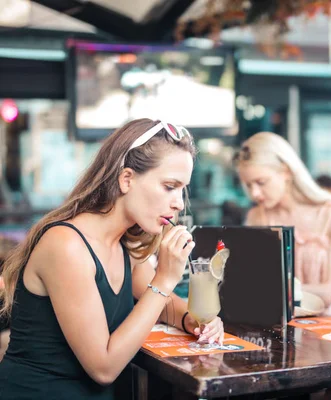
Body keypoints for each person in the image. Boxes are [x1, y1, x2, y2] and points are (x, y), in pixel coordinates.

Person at [0, 119, 224, 399]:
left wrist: (194, 320)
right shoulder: (66, 245)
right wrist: (165, 278)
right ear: (127, 179)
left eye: (182, 189)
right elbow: (103, 367)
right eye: (169, 186)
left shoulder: (125, 246)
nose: (179, 202)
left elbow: (163, 305)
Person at [233, 132, 331, 316]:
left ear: (286, 171)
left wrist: (281, 288)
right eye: (249, 185)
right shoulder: (256, 217)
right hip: (274, 322)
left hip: (325, 323)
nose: (254, 194)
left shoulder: (327, 214)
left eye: (261, 182)